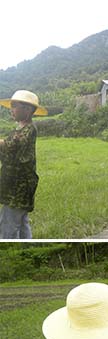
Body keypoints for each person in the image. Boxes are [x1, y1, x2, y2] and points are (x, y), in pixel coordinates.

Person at [0, 90, 47, 239]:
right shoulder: (21, 128)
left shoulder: (28, 130)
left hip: (19, 188)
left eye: (15, 106)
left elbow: (10, 145)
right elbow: (9, 154)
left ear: (27, 110)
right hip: (15, 184)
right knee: (21, 222)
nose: (11, 109)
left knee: (8, 224)